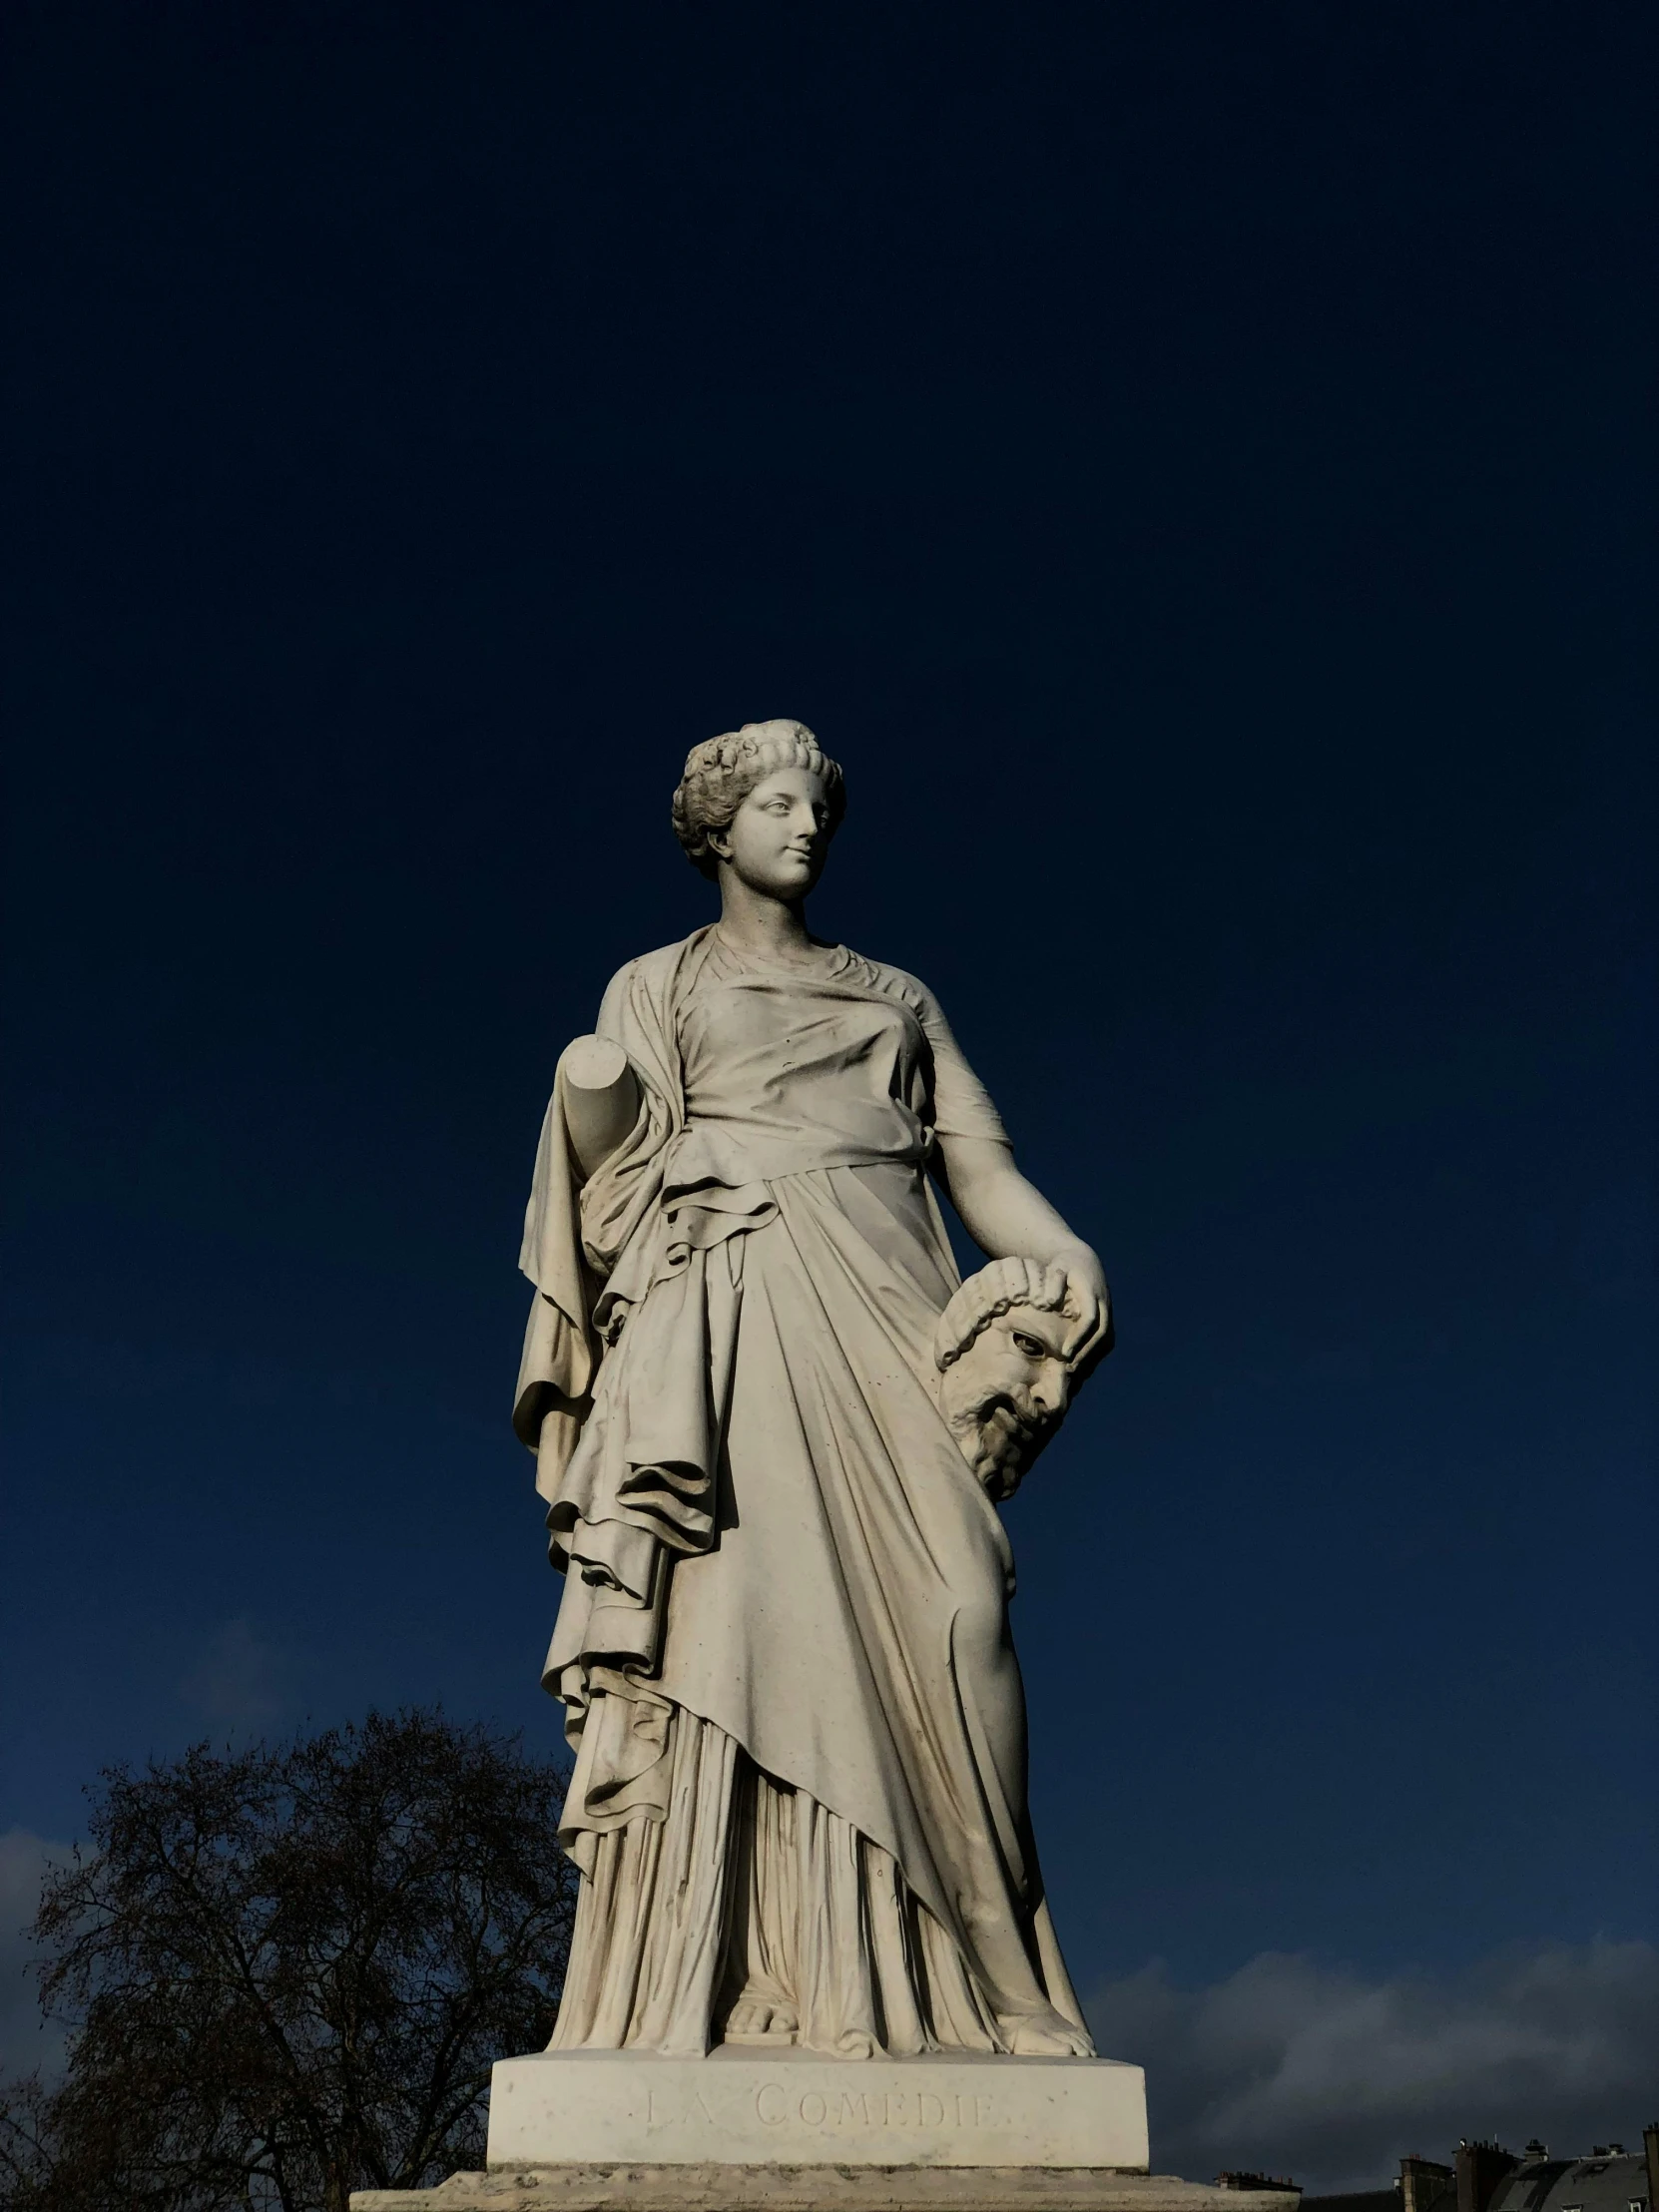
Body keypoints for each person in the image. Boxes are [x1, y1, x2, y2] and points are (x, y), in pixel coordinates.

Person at [513, 719, 1110, 2060]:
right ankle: (736, 1974)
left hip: (891, 1317)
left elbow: (977, 1165)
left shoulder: (896, 995)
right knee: (732, 1635)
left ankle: (993, 1964)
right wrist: (604, 1114)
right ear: (715, 830)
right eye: (774, 805)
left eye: (815, 809)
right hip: (727, 1318)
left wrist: (1060, 1254)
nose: (802, 827)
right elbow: (607, 1188)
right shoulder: (651, 985)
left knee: (962, 1611)